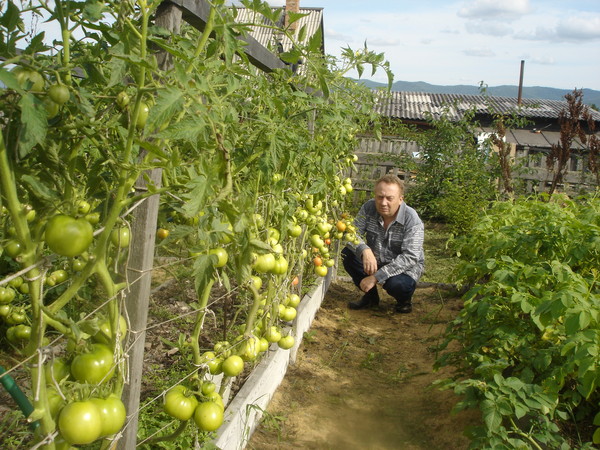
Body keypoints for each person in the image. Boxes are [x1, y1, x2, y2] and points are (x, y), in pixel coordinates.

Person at [342, 174, 425, 313]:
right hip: (376, 259)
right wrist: (364, 250)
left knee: (398, 285)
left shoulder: (411, 219)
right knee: (348, 254)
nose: (383, 202)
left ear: (400, 199)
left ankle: (404, 301)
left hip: (404, 268)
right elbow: (351, 233)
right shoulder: (369, 208)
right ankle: (371, 298)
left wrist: (376, 277)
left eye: (389, 198)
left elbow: (410, 257)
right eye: (380, 197)